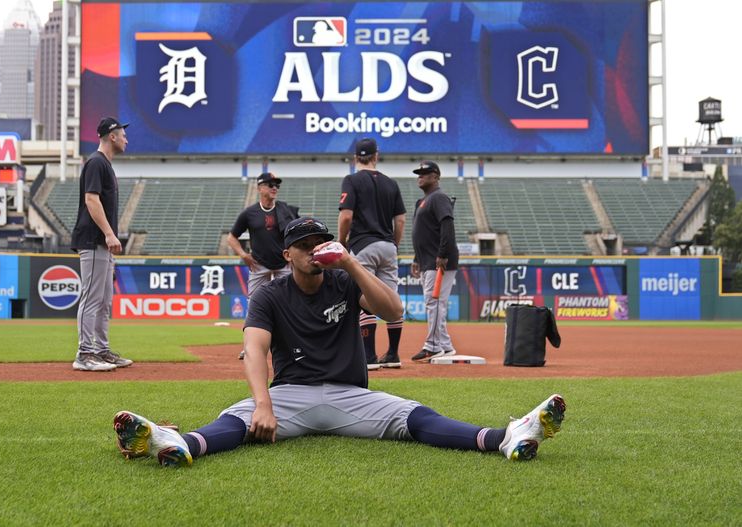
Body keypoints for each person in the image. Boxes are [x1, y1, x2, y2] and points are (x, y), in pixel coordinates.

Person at [113, 217, 566, 467]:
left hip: (352, 396)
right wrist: (264, 404)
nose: (314, 250)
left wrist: (350, 263)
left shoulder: (343, 280)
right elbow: (253, 349)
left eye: (320, 242)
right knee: (239, 419)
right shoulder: (270, 293)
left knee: (415, 416)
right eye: (304, 245)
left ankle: (505, 438)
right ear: (286, 254)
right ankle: (174, 443)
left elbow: (392, 312)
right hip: (289, 396)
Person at [70, 117, 133, 372]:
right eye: (123, 134)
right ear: (112, 136)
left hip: (102, 243)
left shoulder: (104, 164)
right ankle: (84, 353)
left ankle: (101, 350)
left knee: (105, 300)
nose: (126, 139)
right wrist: (108, 233)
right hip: (94, 239)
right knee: (92, 297)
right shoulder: (96, 162)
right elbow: (91, 200)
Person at [338, 138, 406, 370]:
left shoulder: (352, 180)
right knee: (391, 299)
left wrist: (341, 242)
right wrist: (393, 244)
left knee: (365, 297)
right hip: (387, 245)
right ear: (376, 156)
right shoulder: (391, 183)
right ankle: (394, 354)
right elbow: (401, 220)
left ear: (356, 158)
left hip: (363, 244)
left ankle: (369, 356)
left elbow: (346, 216)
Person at [227, 172, 299, 359]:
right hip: (259, 265)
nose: (274, 187)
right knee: (254, 304)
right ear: (260, 188)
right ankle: (250, 346)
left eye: (276, 185)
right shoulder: (249, 213)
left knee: (289, 301)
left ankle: (292, 344)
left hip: (283, 263)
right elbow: (231, 237)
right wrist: (243, 254)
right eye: (270, 184)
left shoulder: (285, 210)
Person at [409, 161, 460, 362]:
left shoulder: (439, 197)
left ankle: (432, 345)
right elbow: (421, 233)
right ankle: (445, 345)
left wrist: (443, 254)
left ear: (436, 176)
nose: (420, 176)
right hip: (427, 259)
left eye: (425, 173)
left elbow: (447, 225)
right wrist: (416, 258)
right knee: (434, 301)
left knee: (434, 301)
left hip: (439, 260)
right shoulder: (422, 201)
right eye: (419, 173)